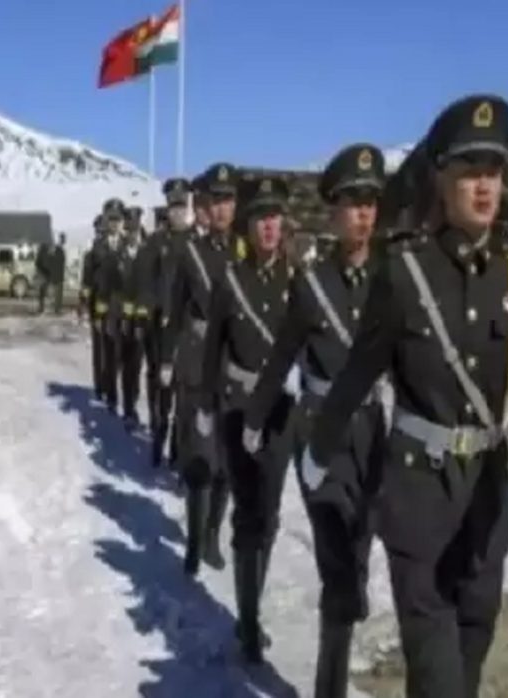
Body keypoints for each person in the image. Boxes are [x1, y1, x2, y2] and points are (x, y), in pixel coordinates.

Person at [303, 95, 508, 698]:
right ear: (441, 179)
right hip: (418, 498)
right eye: (469, 171)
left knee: (466, 663)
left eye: (493, 171)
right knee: (438, 676)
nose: (484, 186)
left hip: (486, 501)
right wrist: (319, 448)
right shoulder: (405, 274)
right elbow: (358, 375)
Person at [242, 145, 388, 693]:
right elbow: (283, 355)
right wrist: (255, 418)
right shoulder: (312, 285)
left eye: (370, 202)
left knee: (358, 552)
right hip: (320, 432)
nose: (363, 213)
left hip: (371, 432)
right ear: (333, 212)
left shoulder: (392, 280)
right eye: (352, 203)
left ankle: (344, 614)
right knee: (337, 567)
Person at [198, 174, 296, 663]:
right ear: (248, 227)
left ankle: (252, 601)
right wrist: (205, 405)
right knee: (247, 513)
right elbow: (213, 348)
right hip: (238, 409)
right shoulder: (230, 281)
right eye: (260, 218)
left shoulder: (299, 281)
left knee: (271, 514)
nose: (268, 227)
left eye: (274, 217)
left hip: (282, 413)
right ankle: (249, 622)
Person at [161, 164, 239, 576]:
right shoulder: (189, 252)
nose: (223, 209)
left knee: (227, 462)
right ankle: (194, 540)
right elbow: (175, 311)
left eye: (229, 200)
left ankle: (212, 534)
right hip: (197, 366)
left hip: (235, 367)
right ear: (205, 206)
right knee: (200, 460)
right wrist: (166, 358)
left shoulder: (245, 252)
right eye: (216, 201)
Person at [136, 177, 194, 466]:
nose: (178, 213)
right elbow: (144, 281)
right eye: (173, 207)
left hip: (190, 330)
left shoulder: (197, 241)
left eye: (182, 207)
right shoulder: (156, 242)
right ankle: (158, 437)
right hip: (161, 328)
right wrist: (147, 312)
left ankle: (178, 450)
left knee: (186, 394)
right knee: (162, 389)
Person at [92, 198, 127, 414]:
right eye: (111, 219)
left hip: (126, 308)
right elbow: (96, 280)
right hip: (105, 306)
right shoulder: (99, 246)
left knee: (124, 355)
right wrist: (98, 311)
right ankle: (109, 393)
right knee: (107, 352)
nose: (114, 223)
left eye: (117, 219)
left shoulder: (128, 244)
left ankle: (120, 392)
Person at [119, 206, 146, 427]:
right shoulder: (118, 254)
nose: (132, 234)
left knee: (137, 366)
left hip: (142, 320)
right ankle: (128, 406)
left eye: (135, 229)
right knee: (126, 365)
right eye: (129, 229)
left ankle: (133, 405)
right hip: (122, 320)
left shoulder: (148, 252)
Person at [81, 216, 108, 400]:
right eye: (98, 231)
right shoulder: (91, 255)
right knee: (100, 349)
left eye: (102, 231)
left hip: (115, 307)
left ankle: (108, 384)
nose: (100, 234)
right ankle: (100, 386)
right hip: (97, 307)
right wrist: (84, 303)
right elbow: (87, 282)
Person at [38, 234, 67, 315]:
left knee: (53, 292)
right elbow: (47, 260)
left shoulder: (58, 249)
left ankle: (51, 308)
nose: (63, 241)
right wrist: (48, 271)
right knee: (49, 291)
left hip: (54, 274)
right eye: (63, 239)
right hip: (51, 274)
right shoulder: (55, 249)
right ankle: (50, 308)